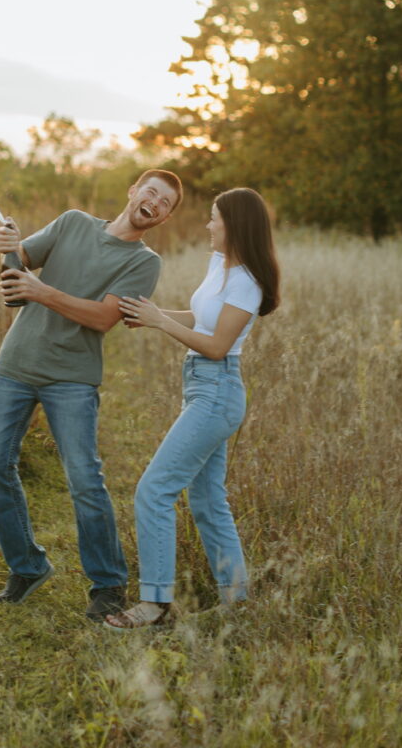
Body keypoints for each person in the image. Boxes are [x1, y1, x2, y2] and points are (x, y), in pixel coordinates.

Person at [0, 169, 183, 621]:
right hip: (15, 366)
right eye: (149, 191)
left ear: (164, 218)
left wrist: (41, 289)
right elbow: (19, 264)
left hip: (72, 378)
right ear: (132, 192)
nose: (154, 201)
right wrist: (8, 245)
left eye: (164, 202)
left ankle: (108, 584)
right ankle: (27, 567)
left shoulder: (144, 263)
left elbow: (102, 318)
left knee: (85, 482)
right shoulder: (72, 222)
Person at [104, 187, 280, 630]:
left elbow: (219, 346)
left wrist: (161, 323)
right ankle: (237, 601)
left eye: (214, 218)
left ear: (235, 225)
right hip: (201, 386)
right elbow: (201, 319)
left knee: (154, 490)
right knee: (207, 501)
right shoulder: (221, 266)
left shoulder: (247, 282)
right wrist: (153, 312)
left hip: (217, 391)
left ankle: (154, 604)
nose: (208, 225)